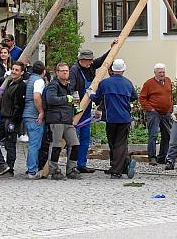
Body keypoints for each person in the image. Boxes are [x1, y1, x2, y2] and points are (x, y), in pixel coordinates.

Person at [69, 41, 116, 174]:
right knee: (74, 138)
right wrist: (75, 104)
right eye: (88, 61)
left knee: (85, 137)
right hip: (77, 108)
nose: (91, 63)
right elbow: (71, 89)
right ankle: (71, 164)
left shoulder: (90, 66)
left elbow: (101, 61)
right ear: (81, 60)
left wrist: (111, 49)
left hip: (88, 106)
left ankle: (82, 164)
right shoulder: (74, 71)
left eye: (91, 61)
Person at [91, 59, 138, 179]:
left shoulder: (105, 83)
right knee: (121, 144)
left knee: (112, 143)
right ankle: (122, 166)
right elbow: (134, 97)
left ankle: (117, 168)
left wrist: (90, 94)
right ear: (123, 69)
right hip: (124, 118)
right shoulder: (128, 83)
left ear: (112, 70)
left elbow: (97, 99)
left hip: (110, 118)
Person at [0, 61, 27, 178]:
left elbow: (19, 107)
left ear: (22, 73)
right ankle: (2, 165)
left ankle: (9, 169)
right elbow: (5, 101)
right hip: (4, 118)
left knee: (10, 145)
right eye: (13, 69)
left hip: (11, 119)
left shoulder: (21, 86)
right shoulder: (9, 83)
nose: (14, 72)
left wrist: (14, 122)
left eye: (17, 70)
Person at [44, 62, 82, 180]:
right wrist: (66, 98)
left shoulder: (68, 86)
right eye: (63, 71)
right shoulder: (53, 85)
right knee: (56, 146)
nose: (65, 73)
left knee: (75, 144)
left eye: (67, 71)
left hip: (67, 120)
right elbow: (50, 99)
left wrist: (75, 107)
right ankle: (54, 170)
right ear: (57, 73)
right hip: (56, 119)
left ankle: (71, 169)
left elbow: (72, 100)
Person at [138, 63, 173, 166]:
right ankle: (152, 157)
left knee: (167, 135)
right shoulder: (149, 83)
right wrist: (151, 109)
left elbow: (170, 94)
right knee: (153, 135)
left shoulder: (168, 81)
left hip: (166, 112)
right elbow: (142, 98)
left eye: (163, 72)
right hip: (154, 113)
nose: (162, 74)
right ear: (155, 73)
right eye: (160, 72)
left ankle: (162, 157)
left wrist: (170, 107)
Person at [22, 60, 46, 179]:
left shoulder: (29, 80)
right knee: (34, 144)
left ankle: (31, 168)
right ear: (44, 72)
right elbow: (36, 96)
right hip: (34, 115)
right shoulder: (39, 81)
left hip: (27, 114)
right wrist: (41, 111)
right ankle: (32, 170)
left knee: (32, 143)